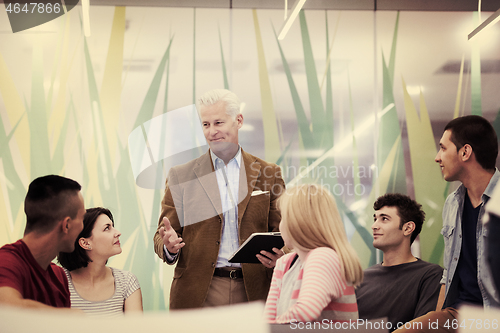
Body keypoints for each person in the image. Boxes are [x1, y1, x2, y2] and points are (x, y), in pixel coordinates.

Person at [153, 89, 286, 309]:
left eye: (219, 123)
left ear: (238, 120)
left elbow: (284, 231)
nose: (212, 131)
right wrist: (169, 246)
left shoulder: (268, 172)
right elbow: (162, 236)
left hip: (255, 290)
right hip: (198, 293)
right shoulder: (180, 176)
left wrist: (282, 256)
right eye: (206, 124)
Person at [394, 115, 500, 333]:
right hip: (458, 315)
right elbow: (448, 273)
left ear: (465, 152)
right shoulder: (453, 203)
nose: (437, 157)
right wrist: (437, 319)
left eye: (443, 148)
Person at [263, 184, 363, 323]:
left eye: (283, 217)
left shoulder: (323, 256)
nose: (281, 225)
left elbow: (306, 311)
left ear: (297, 222)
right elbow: (268, 320)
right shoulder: (284, 263)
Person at [356, 193, 443, 331]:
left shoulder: (430, 275)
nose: (374, 226)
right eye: (375, 219)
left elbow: (424, 328)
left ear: (408, 228)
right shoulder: (361, 278)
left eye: (384, 219)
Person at [0, 175, 85, 309]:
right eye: (82, 218)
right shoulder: (6, 261)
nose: (82, 227)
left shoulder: (59, 276)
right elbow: (7, 308)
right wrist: (71, 318)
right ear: (66, 225)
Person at [57, 207, 143, 316]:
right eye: (107, 228)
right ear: (85, 243)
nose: (118, 233)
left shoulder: (127, 282)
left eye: (113, 226)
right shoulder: (58, 282)